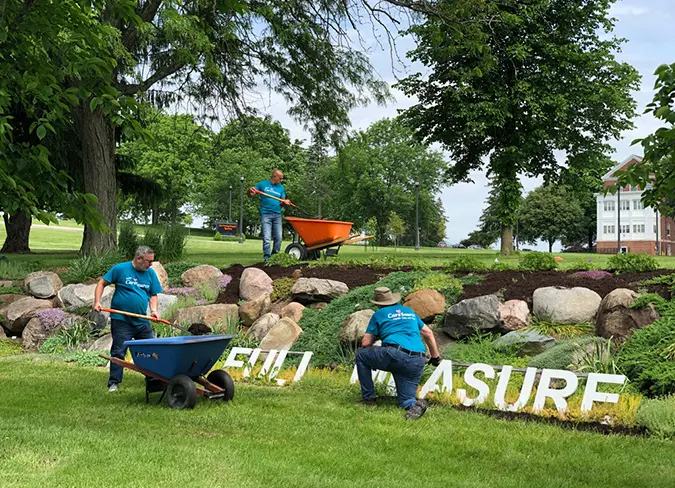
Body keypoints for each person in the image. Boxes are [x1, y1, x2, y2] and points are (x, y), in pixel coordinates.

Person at [355, 287, 442, 420]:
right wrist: (435, 357)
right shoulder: (409, 312)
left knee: (361, 355)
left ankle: (369, 398)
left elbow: (366, 343)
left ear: (377, 304)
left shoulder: (379, 314)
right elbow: (428, 333)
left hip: (395, 354)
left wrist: (379, 335)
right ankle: (415, 406)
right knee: (405, 400)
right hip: (417, 359)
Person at [93, 245, 163, 392]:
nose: (151, 264)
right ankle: (114, 383)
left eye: (152, 262)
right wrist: (97, 301)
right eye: (148, 261)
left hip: (142, 320)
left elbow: (153, 294)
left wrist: (154, 311)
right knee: (119, 351)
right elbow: (101, 283)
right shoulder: (120, 269)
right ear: (138, 259)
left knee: (151, 350)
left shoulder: (150, 273)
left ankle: (154, 381)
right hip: (121, 319)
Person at [248, 169, 291, 261]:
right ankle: (267, 258)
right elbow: (251, 194)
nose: (281, 180)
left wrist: (285, 202)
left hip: (277, 215)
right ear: (274, 176)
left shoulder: (281, 188)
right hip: (266, 214)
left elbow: (282, 201)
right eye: (280, 178)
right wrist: (250, 190)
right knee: (267, 238)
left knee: (279, 237)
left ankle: (274, 257)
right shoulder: (262, 184)